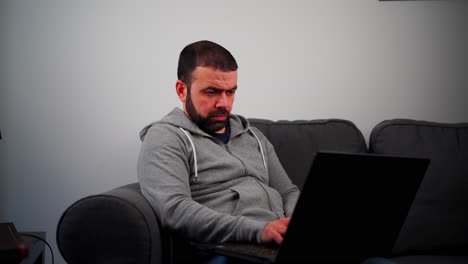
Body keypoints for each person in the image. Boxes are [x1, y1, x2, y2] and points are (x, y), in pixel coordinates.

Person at [137, 40, 395, 264]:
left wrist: (303, 223)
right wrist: (258, 231)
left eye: (231, 92)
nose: (223, 103)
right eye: (212, 92)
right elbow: (174, 210)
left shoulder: (254, 137)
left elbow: (287, 191)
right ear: (182, 90)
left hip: (280, 246)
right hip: (231, 251)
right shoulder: (165, 137)